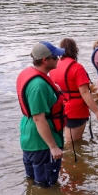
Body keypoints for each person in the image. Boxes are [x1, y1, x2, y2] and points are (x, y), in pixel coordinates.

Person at [16, 41, 66, 187]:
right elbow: (39, 118)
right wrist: (53, 146)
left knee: (33, 182)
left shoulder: (28, 74)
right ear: (45, 60)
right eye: (55, 57)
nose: (58, 59)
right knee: (47, 186)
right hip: (41, 143)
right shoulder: (38, 85)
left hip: (28, 137)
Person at [50, 38, 98, 142]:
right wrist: (97, 112)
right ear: (75, 50)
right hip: (75, 111)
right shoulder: (77, 67)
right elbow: (84, 92)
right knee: (73, 144)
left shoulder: (54, 65)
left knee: (66, 141)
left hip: (60, 108)